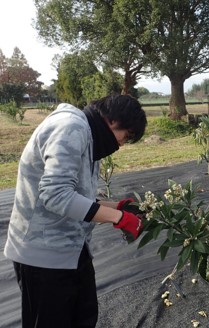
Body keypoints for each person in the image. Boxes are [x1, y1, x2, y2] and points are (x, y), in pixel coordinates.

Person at [3, 95, 147, 328]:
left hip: (72, 249)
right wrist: (118, 218)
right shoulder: (71, 127)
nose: (121, 144)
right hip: (43, 255)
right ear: (112, 121)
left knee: (84, 318)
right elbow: (55, 195)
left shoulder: (90, 139)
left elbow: (81, 199)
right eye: (126, 136)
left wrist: (119, 207)